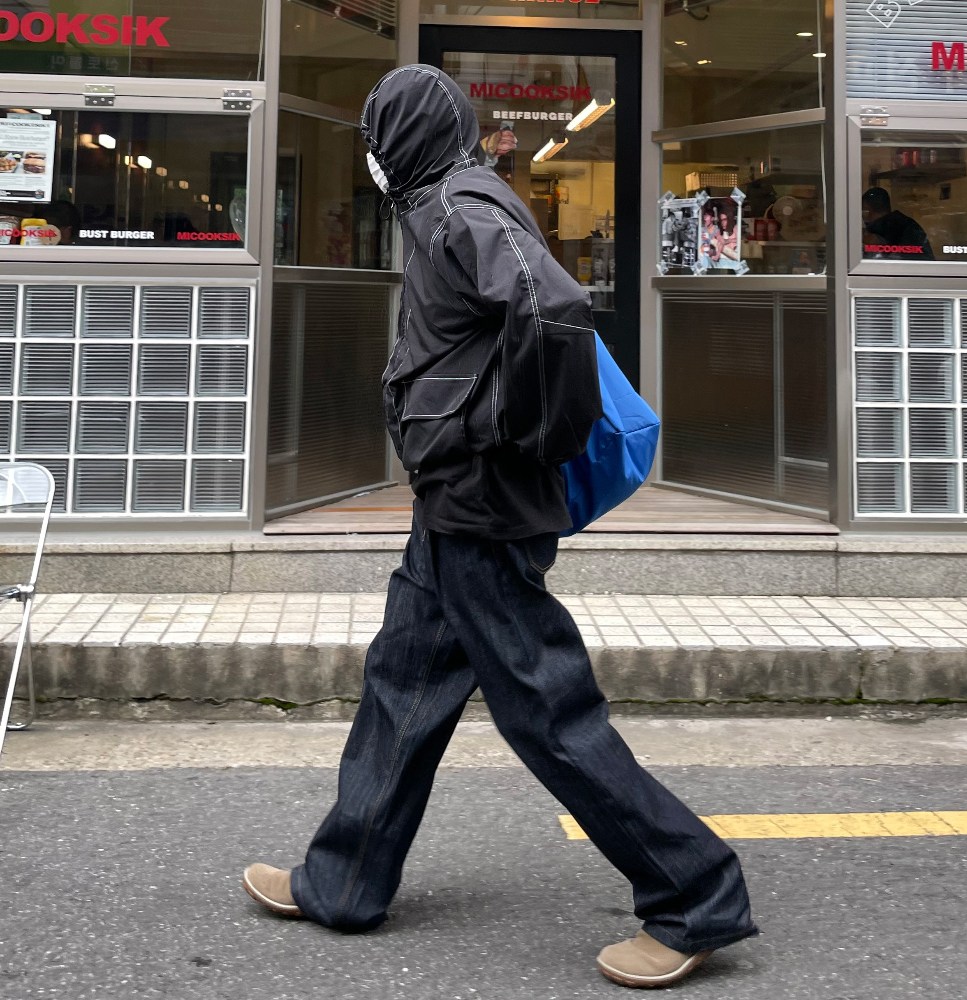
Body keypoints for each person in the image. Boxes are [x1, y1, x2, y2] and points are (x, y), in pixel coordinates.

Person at [241, 64, 758, 990]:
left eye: (374, 133)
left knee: (550, 713)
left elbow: (552, 305)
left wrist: (533, 437)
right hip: (457, 502)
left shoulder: (458, 206)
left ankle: (696, 895)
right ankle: (344, 881)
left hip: (483, 505)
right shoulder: (443, 202)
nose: (369, 152)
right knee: (401, 686)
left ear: (401, 137)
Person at [861, 186, 934, 259]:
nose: (863, 218)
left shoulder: (884, 231)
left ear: (869, 211)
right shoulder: (907, 225)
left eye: (864, 212)